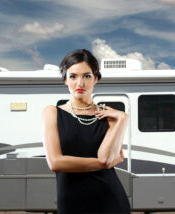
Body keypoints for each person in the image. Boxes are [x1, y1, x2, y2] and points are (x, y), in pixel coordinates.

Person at [42, 49, 131, 213]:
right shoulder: (52, 113)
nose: (80, 83)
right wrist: (101, 164)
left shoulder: (108, 115)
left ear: (95, 79)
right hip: (71, 201)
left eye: (87, 76)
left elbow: (106, 157)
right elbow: (55, 162)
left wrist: (123, 119)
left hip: (110, 200)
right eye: (73, 76)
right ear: (65, 80)